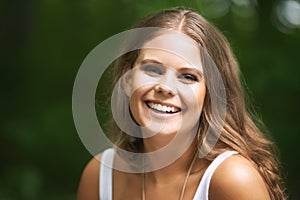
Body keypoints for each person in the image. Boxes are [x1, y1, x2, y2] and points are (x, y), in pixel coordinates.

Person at [76, 7, 286, 200]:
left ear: (210, 94)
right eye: (152, 69)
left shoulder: (233, 179)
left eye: (188, 77)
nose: (165, 87)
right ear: (127, 80)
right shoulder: (99, 175)